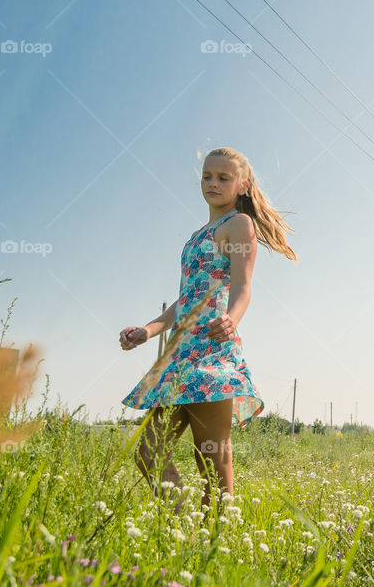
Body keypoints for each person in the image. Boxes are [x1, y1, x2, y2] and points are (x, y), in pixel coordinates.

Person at [118, 146, 298, 513]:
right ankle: (184, 522)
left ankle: (218, 538)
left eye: (223, 177)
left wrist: (232, 317)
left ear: (242, 185)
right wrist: (149, 331)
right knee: (148, 453)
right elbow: (186, 298)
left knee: (212, 461)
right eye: (207, 176)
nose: (212, 183)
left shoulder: (238, 224)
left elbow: (244, 286)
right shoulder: (198, 234)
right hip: (181, 357)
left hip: (212, 354)